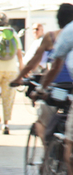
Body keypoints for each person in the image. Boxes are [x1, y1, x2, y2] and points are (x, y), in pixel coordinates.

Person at [12, 5, 73, 149]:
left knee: (41, 122)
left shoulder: (51, 37)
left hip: (57, 87)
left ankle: (47, 153)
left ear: (58, 20)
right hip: (71, 89)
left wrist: (18, 78)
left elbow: (33, 63)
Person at [35, 3, 73, 175]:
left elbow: (51, 66)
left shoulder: (61, 34)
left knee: (69, 142)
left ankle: (48, 150)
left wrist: (40, 89)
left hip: (60, 89)